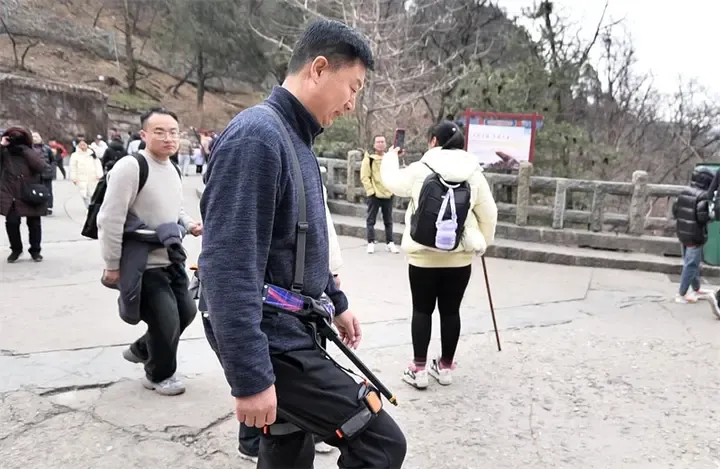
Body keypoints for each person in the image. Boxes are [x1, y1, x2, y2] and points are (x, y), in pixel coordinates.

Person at [199, 19, 406, 469]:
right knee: (381, 444)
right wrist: (251, 377)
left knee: (290, 442)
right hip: (274, 338)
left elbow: (302, 246)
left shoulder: (296, 141)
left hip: (296, 328)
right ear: (317, 69)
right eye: (352, 87)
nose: (352, 104)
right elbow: (227, 267)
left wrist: (337, 299)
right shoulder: (257, 137)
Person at [380, 120, 498, 389]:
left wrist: (390, 157)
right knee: (451, 311)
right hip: (460, 257)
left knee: (422, 310)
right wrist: (482, 243)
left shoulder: (421, 168)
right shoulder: (474, 173)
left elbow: (391, 182)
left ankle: (419, 369)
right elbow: (489, 214)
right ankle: (445, 367)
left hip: (422, 255)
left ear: (434, 141)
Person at [97, 108, 202, 396]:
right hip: (143, 263)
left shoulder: (173, 168)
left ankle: (143, 348)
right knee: (165, 319)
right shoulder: (131, 167)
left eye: (173, 132)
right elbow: (110, 218)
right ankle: (158, 375)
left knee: (186, 311)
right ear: (143, 135)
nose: (168, 138)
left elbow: (175, 207)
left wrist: (189, 224)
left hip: (170, 257)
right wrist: (111, 265)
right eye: (159, 131)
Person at [0, 127, 48, 262]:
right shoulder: (4, 152)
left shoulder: (30, 151)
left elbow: (41, 167)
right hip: (11, 194)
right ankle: (16, 249)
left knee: (34, 223)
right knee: (12, 222)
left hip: (29, 192)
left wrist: (26, 150)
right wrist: (2, 145)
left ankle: (35, 250)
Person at [672, 166, 715, 304]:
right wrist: (712, 216)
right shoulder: (702, 196)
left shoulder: (684, 191)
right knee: (691, 264)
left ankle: (696, 288)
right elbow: (702, 217)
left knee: (691, 262)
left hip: (683, 232)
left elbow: (675, 211)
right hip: (695, 235)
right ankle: (681, 294)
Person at [360, 135, 399, 254]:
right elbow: (365, 176)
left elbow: (394, 172)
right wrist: (371, 191)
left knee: (388, 220)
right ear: (374, 144)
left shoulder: (389, 158)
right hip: (374, 194)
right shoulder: (369, 159)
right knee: (371, 220)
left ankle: (390, 242)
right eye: (378, 142)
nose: (381, 144)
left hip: (388, 193)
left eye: (383, 141)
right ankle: (370, 242)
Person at [70, 138, 104, 208]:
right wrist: (73, 177)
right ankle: (88, 207)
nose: (82, 146)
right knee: (84, 194)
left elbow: (98, 165)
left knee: (93, 193)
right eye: (81, 144)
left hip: (92, 177)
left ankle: (92, 207)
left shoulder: (92, 154)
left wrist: (99, 174)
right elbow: (73, 167)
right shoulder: (75, 155)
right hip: (81, 177)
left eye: (84, 144)